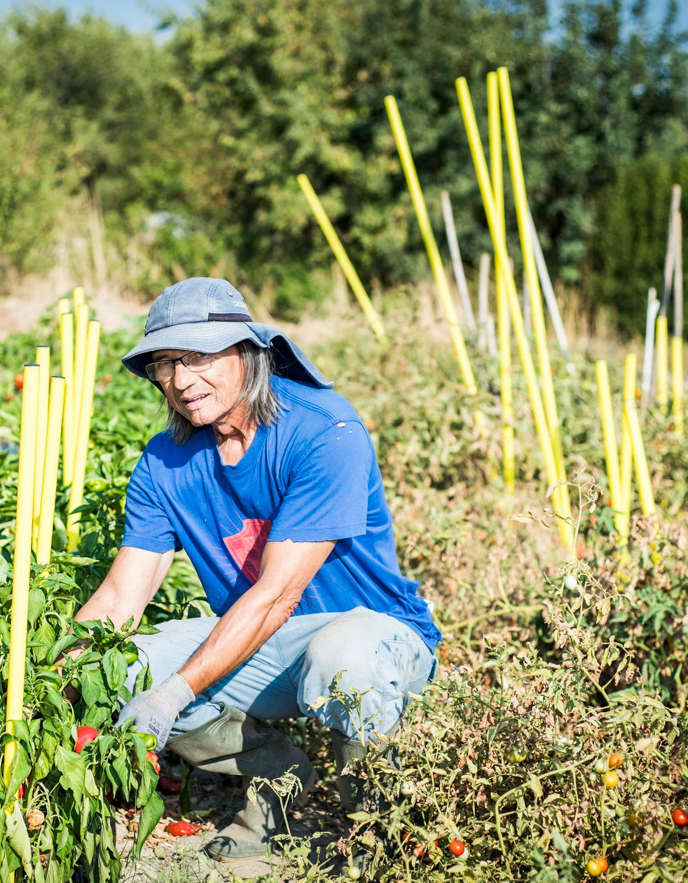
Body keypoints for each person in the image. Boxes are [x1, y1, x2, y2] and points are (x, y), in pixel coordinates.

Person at [73, 277, 439, 863]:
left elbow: (277, 595)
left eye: (198, 357)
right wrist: (51, 671)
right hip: (267, 649)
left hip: (374, 635)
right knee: (123, 665)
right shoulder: (164, 463)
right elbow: (121, 595)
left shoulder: (324, 432)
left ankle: (373, 821)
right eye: (165, 363)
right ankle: (283, 788)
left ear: (249, 351)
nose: (181, 380)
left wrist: (177, 693)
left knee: (341, 655)